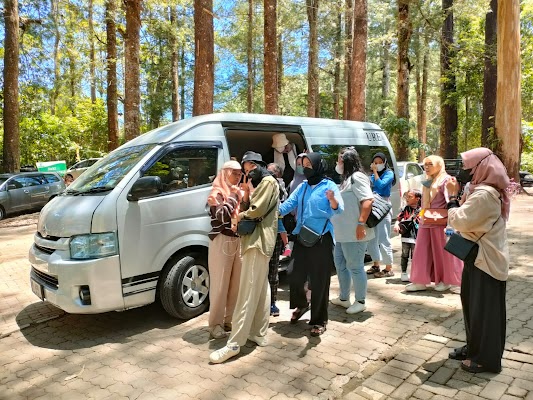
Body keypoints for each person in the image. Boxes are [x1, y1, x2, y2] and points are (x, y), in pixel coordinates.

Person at [209, 151, 279, 364]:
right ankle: (257, 333)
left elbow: (256, 212)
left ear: (258, 165)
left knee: (247, 291)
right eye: (242, 171)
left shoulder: (267, 182)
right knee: (259, 289)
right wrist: (246, 195)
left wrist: (237, 216)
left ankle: (234, 343)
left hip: (256, 242)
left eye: (249, 169)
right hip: (256, 242)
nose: (246, 175)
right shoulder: (257, 184)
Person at [446, 148, 511, 374]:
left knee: (484, 311)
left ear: (482, 167)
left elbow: (461, 222)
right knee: (473, 306)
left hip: (486, 262)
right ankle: (474, 347)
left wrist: (452, 199)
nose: (464, 172)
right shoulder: (480, 191)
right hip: (477, 257)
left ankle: (485, 359)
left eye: (468, 167)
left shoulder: (484, 194)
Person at [279, 153, 344, 336]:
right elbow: (288, 205)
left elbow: (339, 209)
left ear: (318, 165)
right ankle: (302, 304)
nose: (305, 168)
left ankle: (319, 321)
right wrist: (274, 211)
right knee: (294, 275)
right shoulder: (302, 186)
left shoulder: (329, 185)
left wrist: (332, 200)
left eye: (309, 164)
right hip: (301, 236)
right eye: (302, 164)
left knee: (319, 281)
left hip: (321, 239)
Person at [406, 155, 463, 292]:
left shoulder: (446, 180)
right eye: (425, 164)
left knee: (443, 253)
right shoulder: (428, 180)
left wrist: (451, 224)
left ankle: (446, 280)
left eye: (430, 164)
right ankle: (420, 280)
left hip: (441, 222)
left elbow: (451, 201)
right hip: (426, 220)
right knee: (421, 251)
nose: (426, 167)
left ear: (438, 164)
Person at [330, 148, 374, 314]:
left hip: (354, 233)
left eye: (339, 161)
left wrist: (361, 223)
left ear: (346, 161)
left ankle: (360, 301)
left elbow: (367, 201)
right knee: (340, 265)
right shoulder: (346, 179)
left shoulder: (357, 177)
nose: (337, 164)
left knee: (355, 267)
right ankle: (344, 298)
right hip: (341, 234)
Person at [206, 160, 245, 339]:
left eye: (239, 174)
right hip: (222, 240)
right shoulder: (216, 193)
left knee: (236, 285)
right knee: (220, 285)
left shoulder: (239, 190)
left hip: (238, 240)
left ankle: (230, 321)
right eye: (234, 173)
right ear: (225, 173)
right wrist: (235, 197)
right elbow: (221, 216)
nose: (238, 177)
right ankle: (215, 324)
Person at [366, 153, 395, 278]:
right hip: (373, 206)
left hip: (383, 206)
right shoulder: (372, 175)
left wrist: (375, 172)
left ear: (384, 162)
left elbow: (381, 185)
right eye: (375, 162)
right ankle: (376, 264)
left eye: (379, 162)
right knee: (372, 238)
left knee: (384, 237)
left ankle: (388, 267)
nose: (377, 164)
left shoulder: (389, 173)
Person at [266, 162, 290, 317]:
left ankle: (272, 303)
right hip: (262, 235)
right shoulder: (261, 185)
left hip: (274, 235)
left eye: (269, 172)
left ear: (278, 174)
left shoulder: (279, 187)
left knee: (273, 272)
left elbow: (279, 213)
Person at [393, 189, 422, 282]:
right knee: (404, 254)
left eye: (410, 197)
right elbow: (399, 218)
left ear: (417, 199)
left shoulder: (422, 209)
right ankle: (404, 272)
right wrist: (396, 224)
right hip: (406, 235)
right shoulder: (406, 208)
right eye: (407, 196)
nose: (407, 199)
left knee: (415, 256)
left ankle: (415, 273)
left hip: (417, 236)